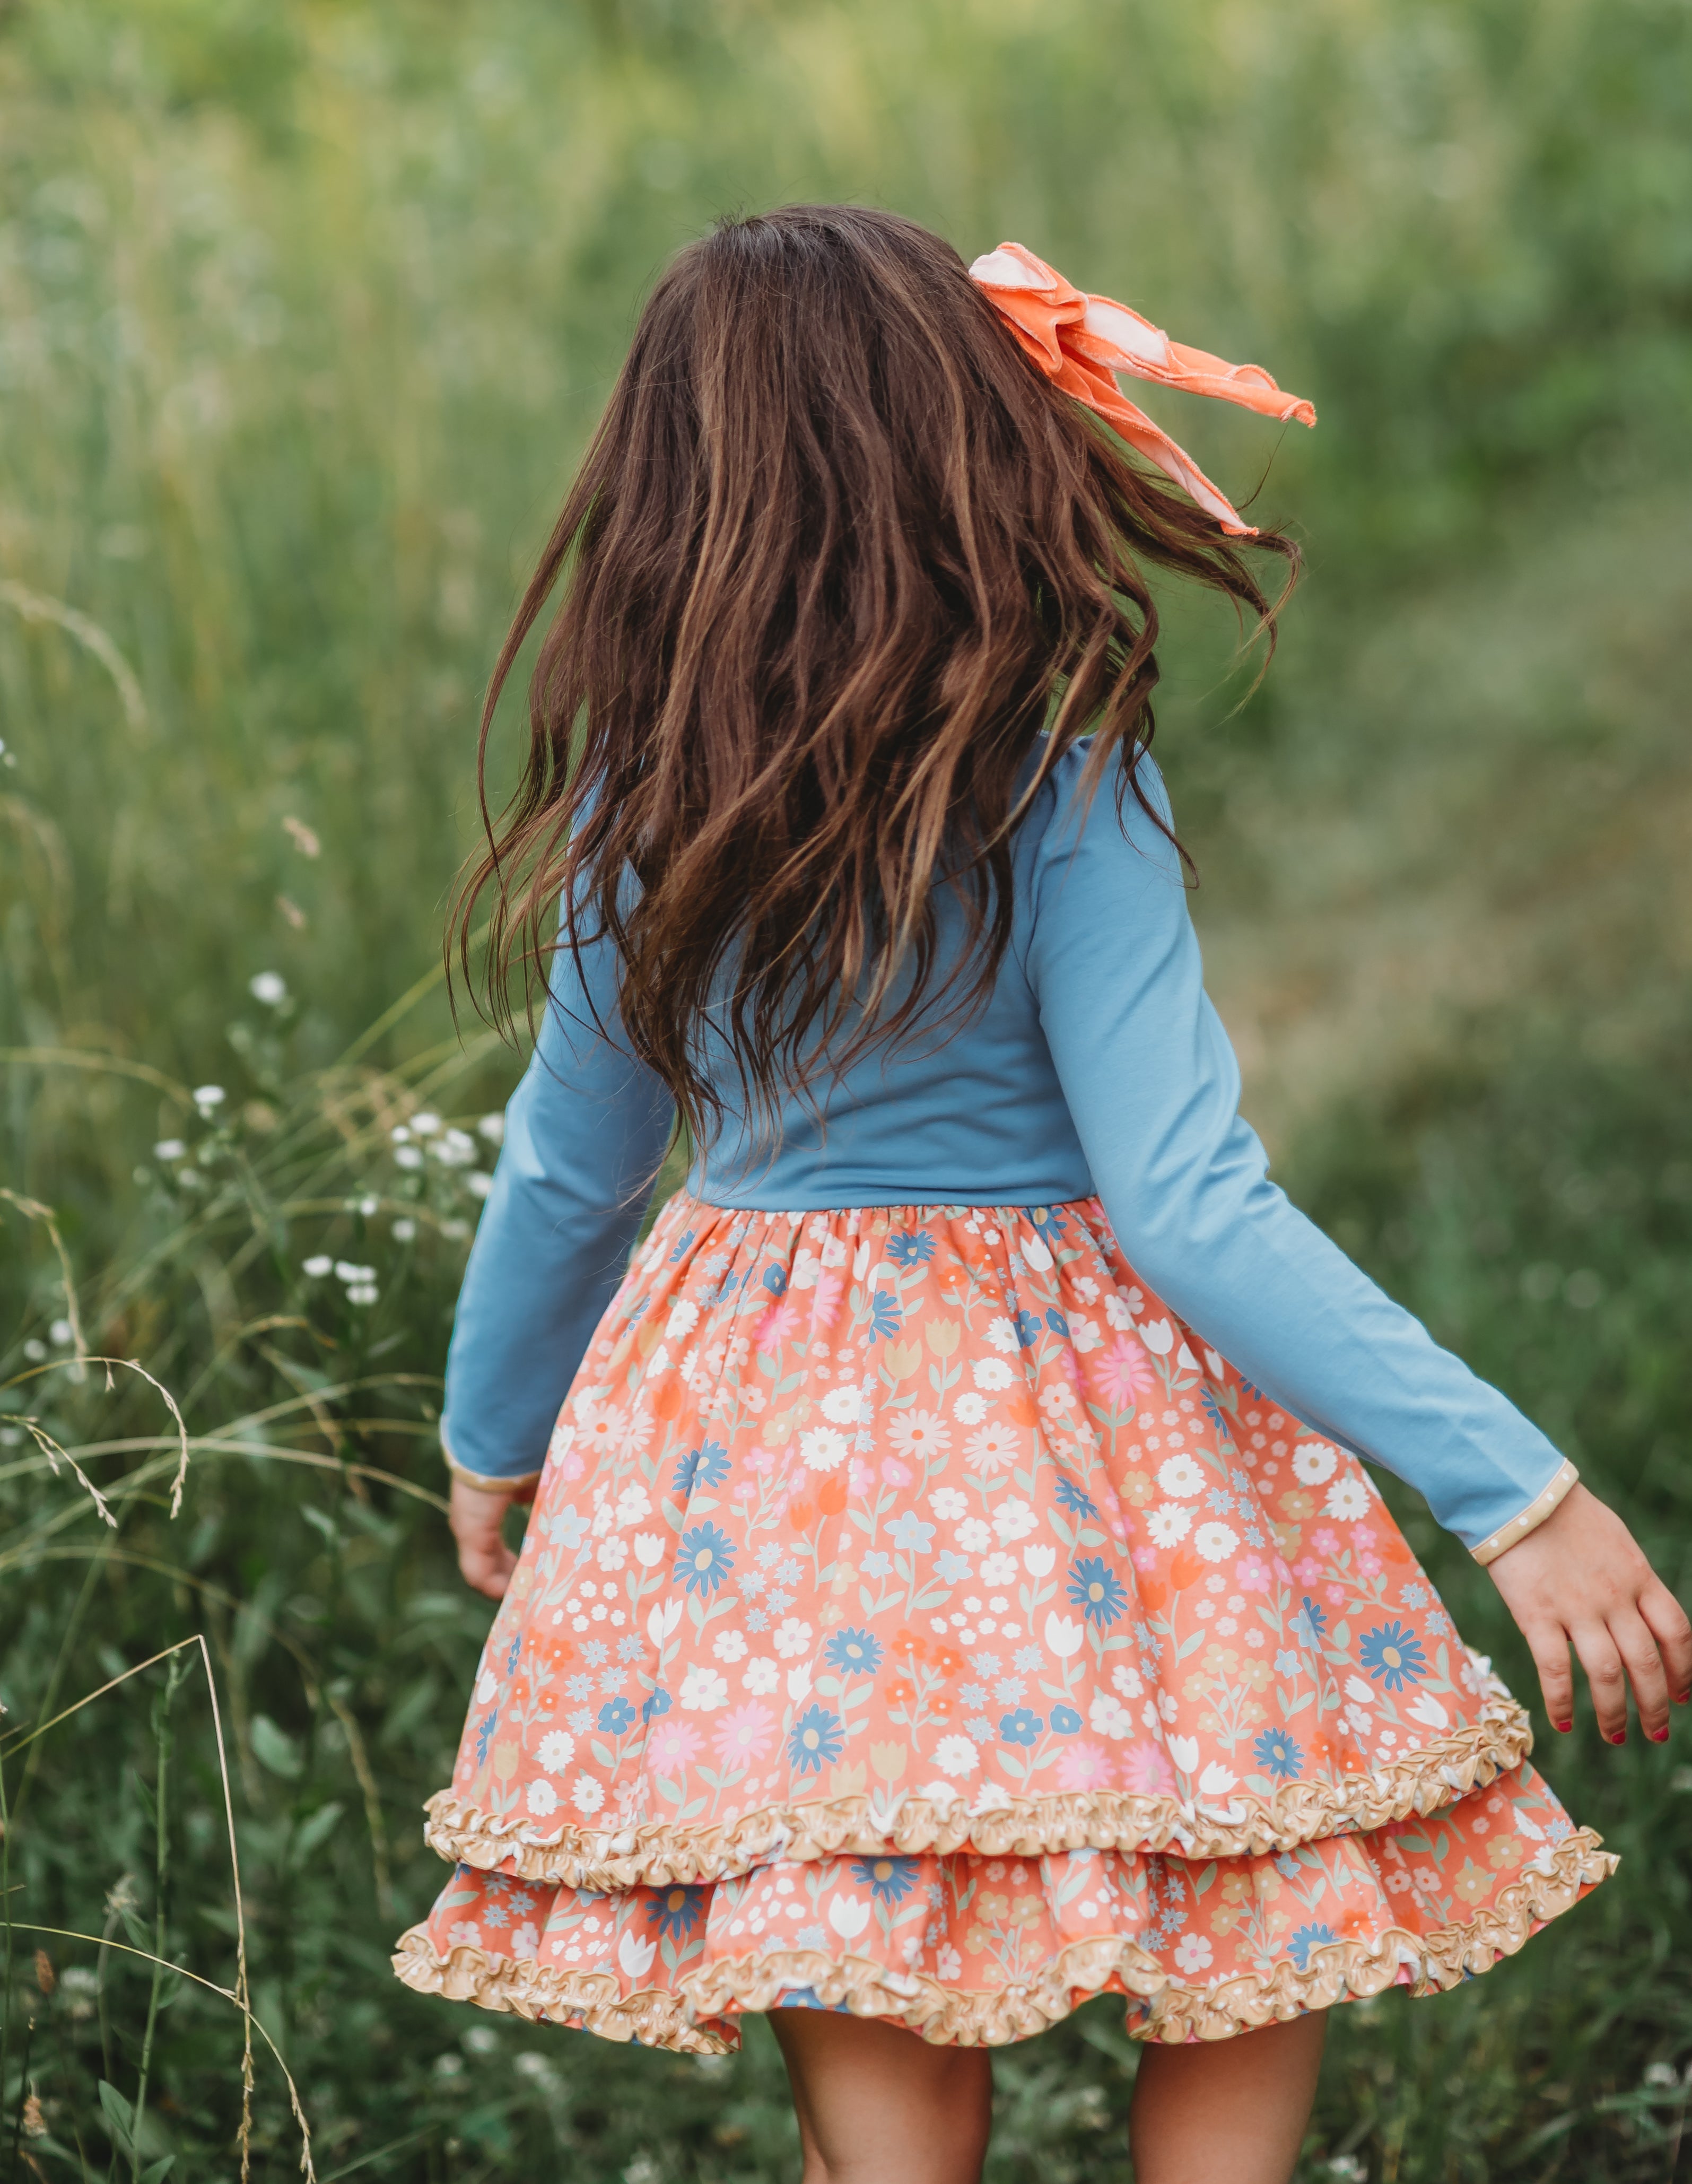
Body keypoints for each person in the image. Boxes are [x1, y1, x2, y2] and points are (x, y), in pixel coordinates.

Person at [392, 206, 1689, 2184]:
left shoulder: (633, 817)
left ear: (663, 493)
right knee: (1253, 1888)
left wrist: (494, 1433)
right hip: (1105, 1443)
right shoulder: (1059, 774)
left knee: (883, 2053)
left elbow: (573, 1172)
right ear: (969, 451)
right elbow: (1189, 1203)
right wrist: (1518, 1489)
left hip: (769, 1479)